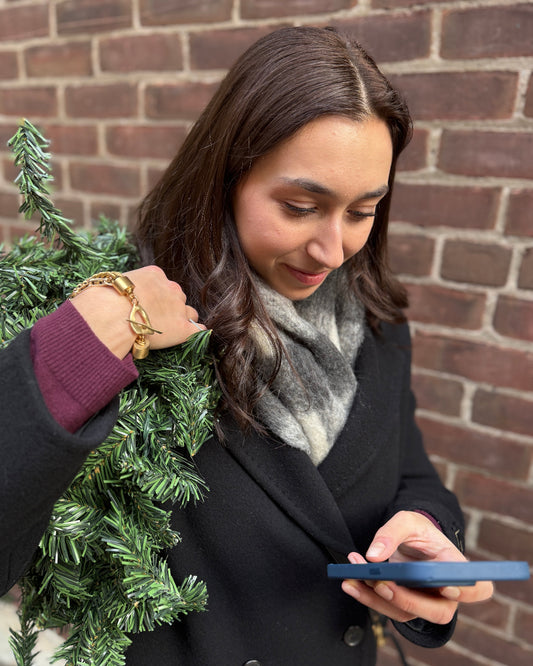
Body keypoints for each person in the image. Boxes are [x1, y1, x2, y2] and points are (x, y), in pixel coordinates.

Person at [0, 26, 492, 665]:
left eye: (363, 210)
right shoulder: (139, 319)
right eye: (298, 206)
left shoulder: (374, 319)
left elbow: (409, 471)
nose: (332, 249)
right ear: (225, 176)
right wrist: (88, 339)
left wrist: (427, 536)